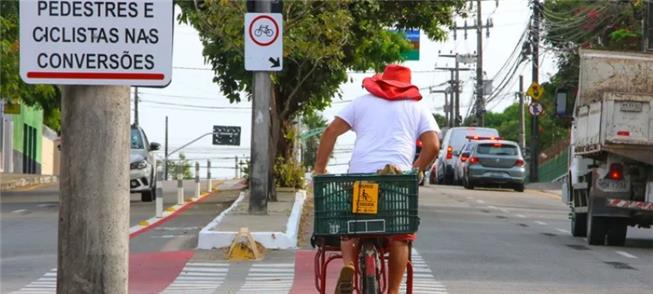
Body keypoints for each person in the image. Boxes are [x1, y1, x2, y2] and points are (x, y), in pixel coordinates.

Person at [314, 64, 440, 294]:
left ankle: (349, 265)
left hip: (361, 179)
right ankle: (392, 291)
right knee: (400, 236)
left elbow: (330, 131)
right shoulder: (417, 108)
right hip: (397, 179)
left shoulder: (361, 103)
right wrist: (417, 169)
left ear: (381, 81)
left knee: (349, 224)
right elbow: (433, 145)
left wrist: (319, 169)